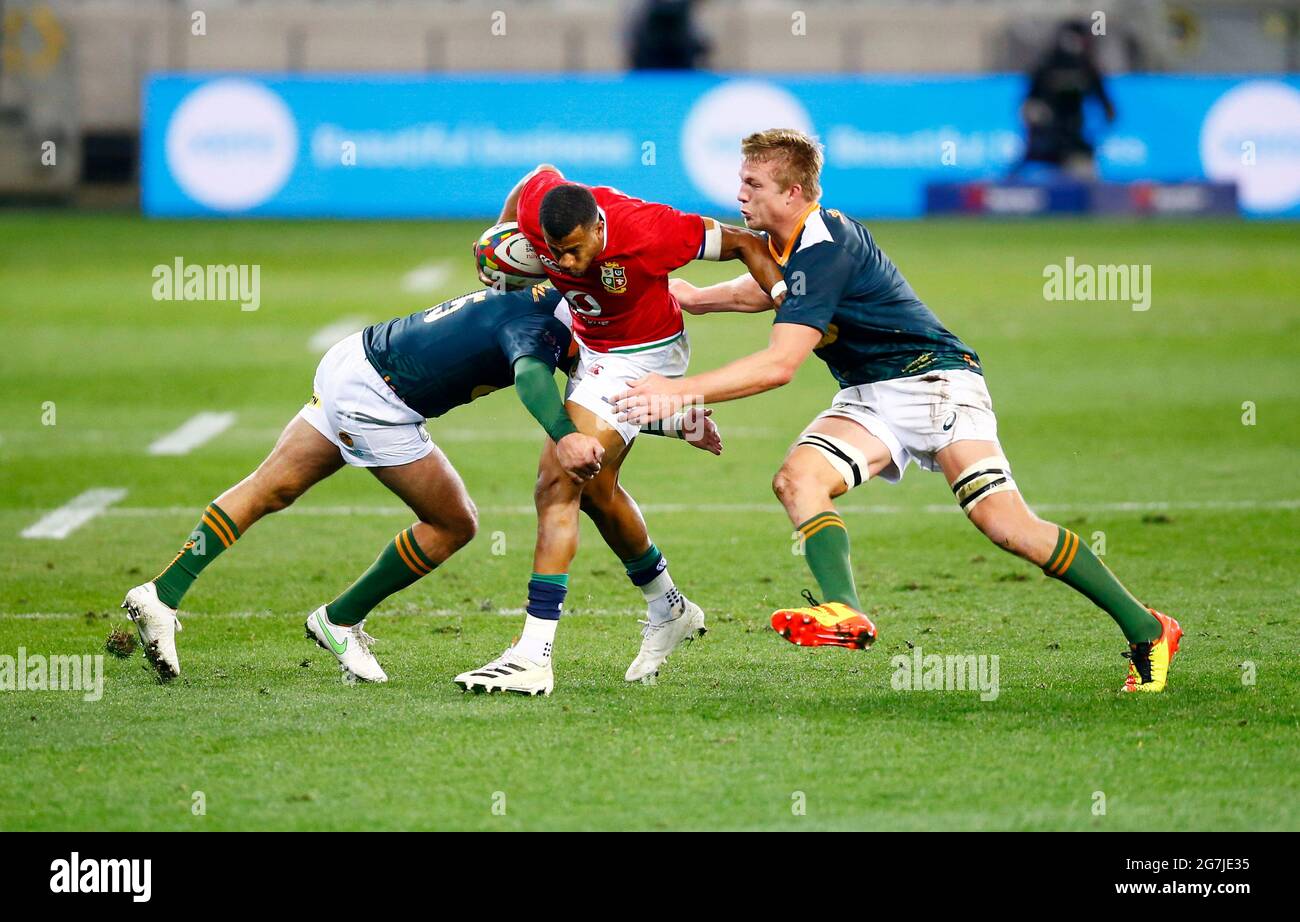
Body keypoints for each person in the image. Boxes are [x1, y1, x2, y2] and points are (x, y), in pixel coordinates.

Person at [615, 128, 1182, 693]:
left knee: (1007, 527)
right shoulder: (797, 241)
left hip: (937, 385)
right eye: (742, 179)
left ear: (792, 194)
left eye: (754, 183)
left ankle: (1147, 628)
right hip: (871, 395)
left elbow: (779, 365)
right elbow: (770, 290)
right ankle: (844, 610)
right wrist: (692, 298)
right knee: (797, 480)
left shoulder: (825, 247)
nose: (740, 192)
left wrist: (680, 390)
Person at [121, 284, 717, 684]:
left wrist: (678, 422)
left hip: (354, 358)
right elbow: (538, 381)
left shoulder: (541, 296)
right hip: (380, 403)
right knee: (454, 523)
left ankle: (162, 594)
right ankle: (340, 618)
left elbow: (601, 397)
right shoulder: (546, 327)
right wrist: (563, 433)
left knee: (269, 489)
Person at [453, 165, 785, 695]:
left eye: (574, 251)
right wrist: (500, 231)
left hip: (642, 354)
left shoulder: (652, 230)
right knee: (597, 492)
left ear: (601, 229)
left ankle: (532, 655)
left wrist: (790, 305)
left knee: (557, 481)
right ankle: (669, 607)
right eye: (554, 252)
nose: (562, 261)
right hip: (588, 340)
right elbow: (537, 175)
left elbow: (747, 242)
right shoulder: (543, 211)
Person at [1015, 20, 1116, 181]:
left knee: (1086, 182)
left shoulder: (1087, 68)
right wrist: (1036, 118)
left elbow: (1105, 102)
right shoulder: (1047, 65)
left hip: (1074, 136)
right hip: (1047, 138)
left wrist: (1107, 114)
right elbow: (1029, 104)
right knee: (1026, 183)